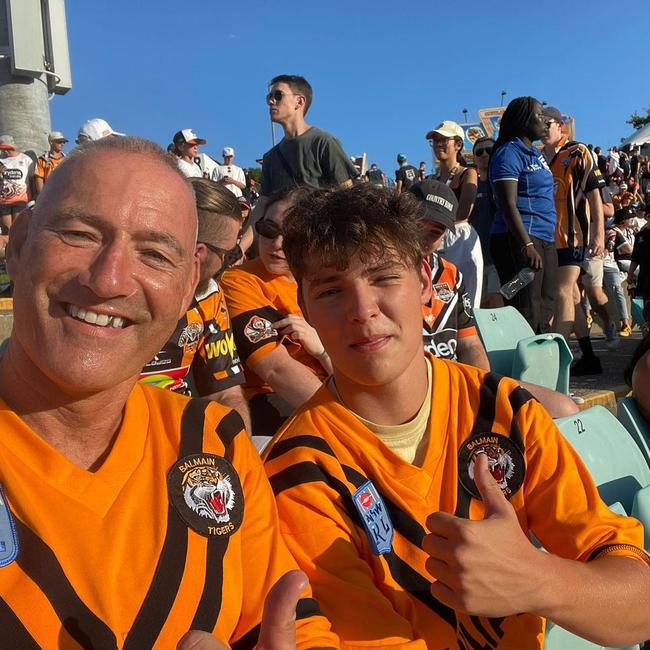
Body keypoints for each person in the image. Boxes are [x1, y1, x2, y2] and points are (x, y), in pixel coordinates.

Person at [263, 182, 650, 649]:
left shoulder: (506, 409)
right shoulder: (298, 469)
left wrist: (538, 579)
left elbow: (639, 607)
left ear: (425, 284)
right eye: (330, 291)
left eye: (385, 277)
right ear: (303, 306)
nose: (363, 311)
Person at [0, 136, 337, 648]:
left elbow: (292, 623)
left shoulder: (215, 442)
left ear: (188, 287)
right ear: (19, 244)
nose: (109, 279)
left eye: (155, 254)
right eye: (79, 234)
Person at [410, 178, 577, 418]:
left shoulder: (451, 274)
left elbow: (469, 344)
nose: (422, 238)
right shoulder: (378, 274)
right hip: (420, 397)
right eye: (417, 226)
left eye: (435, 231)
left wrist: (482, 391)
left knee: (564, 408)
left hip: (458, 383)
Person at [140, 178, 250, 430]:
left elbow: (226, 394)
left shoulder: (210, 294)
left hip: (183, 431)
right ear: (199, 253)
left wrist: (239, 457)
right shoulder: (121, 290)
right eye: (230, 254)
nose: (232, 263)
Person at [221, 190, 331, 438]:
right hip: (277, 402)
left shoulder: (327, 279)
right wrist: (346, 420)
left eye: (291, 235)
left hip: (335, 395)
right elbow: (275, 369)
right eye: (269, 230)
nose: (277, 243)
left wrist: (323, 351)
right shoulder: (240, 281)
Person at [489, 96, 557, 333]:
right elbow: (507, 204)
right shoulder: (508, 153)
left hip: (544, 237)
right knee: (525, 306)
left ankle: (542, 363)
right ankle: (520, 366)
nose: (546, 122)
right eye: (539, 116)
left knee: (548, 302)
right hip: (519, 238)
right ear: (522, 120)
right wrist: (526, 244)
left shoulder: (534, 153)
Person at [541, 106, 605, 346]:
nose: (543, 129)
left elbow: (594, 194)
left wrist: (598, 233)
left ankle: (558, 351)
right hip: (548, 237)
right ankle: (588, 355)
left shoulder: (578, 151)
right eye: (539, 125)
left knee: (562, 291)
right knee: (573, 295)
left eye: (547, 124)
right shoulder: (538, 158)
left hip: (573, 235)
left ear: (560, 125)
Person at [259, 74, 357, 203]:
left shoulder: (323, 143)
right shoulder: (270, 158)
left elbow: (347, 194)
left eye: (278, 95)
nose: (271, 101)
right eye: (269, 97)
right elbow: (262, 205)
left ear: (299, 101)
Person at [427, 121, 482, 309]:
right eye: (435, 140)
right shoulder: (432, 179)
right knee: (440, 295)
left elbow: (466, 208)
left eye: (443, 139)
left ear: (458, 145)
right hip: (436, 238)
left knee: (468, 300)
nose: (438, 144)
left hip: (460, 237)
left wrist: (437, 222)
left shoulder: (468, 172)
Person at [469, 136, 503, 307]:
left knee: (496, 300)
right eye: (479, 152)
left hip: (499, 256)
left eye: (489, 150)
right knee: (479, 307)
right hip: (476, 257)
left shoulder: (504, 182)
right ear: (473, 157)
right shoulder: (469, 186)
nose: (484, 155)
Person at [0, 135, 34, 229]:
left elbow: (32, 179)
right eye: (3, 149)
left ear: (13, 146)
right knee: (7, 229)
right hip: (4, 200)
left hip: (21, 200)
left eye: (7, 149)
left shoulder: (26, 159)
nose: (5, 151)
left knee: (18, 228)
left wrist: (33, 197)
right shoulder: (0, 159)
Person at [34, 131, 68, 196]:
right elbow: (39, 179)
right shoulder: (42, 159)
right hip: (49, 194)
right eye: (59, 142)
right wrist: (42, 196)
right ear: (51, 142)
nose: (62, 144)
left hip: (64, 193)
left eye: (64, 142)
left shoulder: (67, 159)